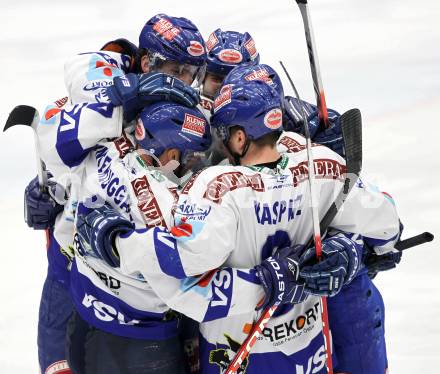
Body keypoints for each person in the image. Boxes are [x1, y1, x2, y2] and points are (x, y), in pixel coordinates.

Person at [78, 79, 401, 373]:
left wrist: (114, 241)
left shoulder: (216, 186)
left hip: (235, 349)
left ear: (240, 136)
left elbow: (184, 271)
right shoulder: (322, 163)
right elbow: (385, 222)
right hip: (308, 341)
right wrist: (367, 249)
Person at [26, 13, 206, 374]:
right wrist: (51, 190)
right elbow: (53, 136)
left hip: (159, 305)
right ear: (145, 63)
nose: (185, 83)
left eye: (192, 73)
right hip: (75, 271)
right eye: (175, 70)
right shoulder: (105, 76)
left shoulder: (197, 111)